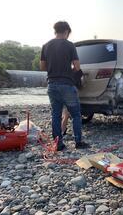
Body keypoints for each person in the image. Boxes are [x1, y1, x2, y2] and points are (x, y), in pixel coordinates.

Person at [40, 21, 90, 150]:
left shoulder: (45, 46)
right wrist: (69, 71)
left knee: (56, 114)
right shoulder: (69, 45)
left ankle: (58, 144)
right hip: (67, 85)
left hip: (51, 84)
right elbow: (77, 66)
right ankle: (78, 142)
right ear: (67, 31)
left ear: (55, 31)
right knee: (76, 114)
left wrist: (54, 69)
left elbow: (42, 66)